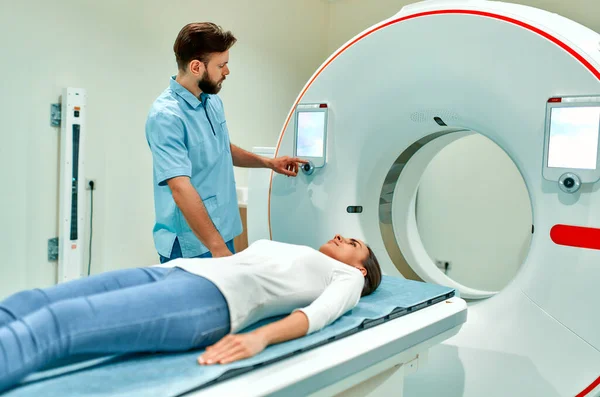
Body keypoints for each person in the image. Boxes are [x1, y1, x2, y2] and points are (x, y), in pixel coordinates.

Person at [0, 235, 381, 392]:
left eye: (353, 243)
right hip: (174, 271)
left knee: (58, 325)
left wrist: (259, 338)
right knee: (35, 301)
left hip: (207, 301)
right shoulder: (300, 249)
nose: (341, 237)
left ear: (362, 269)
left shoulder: (346, 277)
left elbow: (320, 314)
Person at [145, 22, 306, 263]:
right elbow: (180, 188)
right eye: (221, 65)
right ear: (196, 67)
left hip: (221, 230)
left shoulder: (211, 101)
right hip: (191, 242)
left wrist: (269, 163)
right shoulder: (167, 116)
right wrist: (217, 248)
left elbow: (222, 149)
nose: (227, 71)